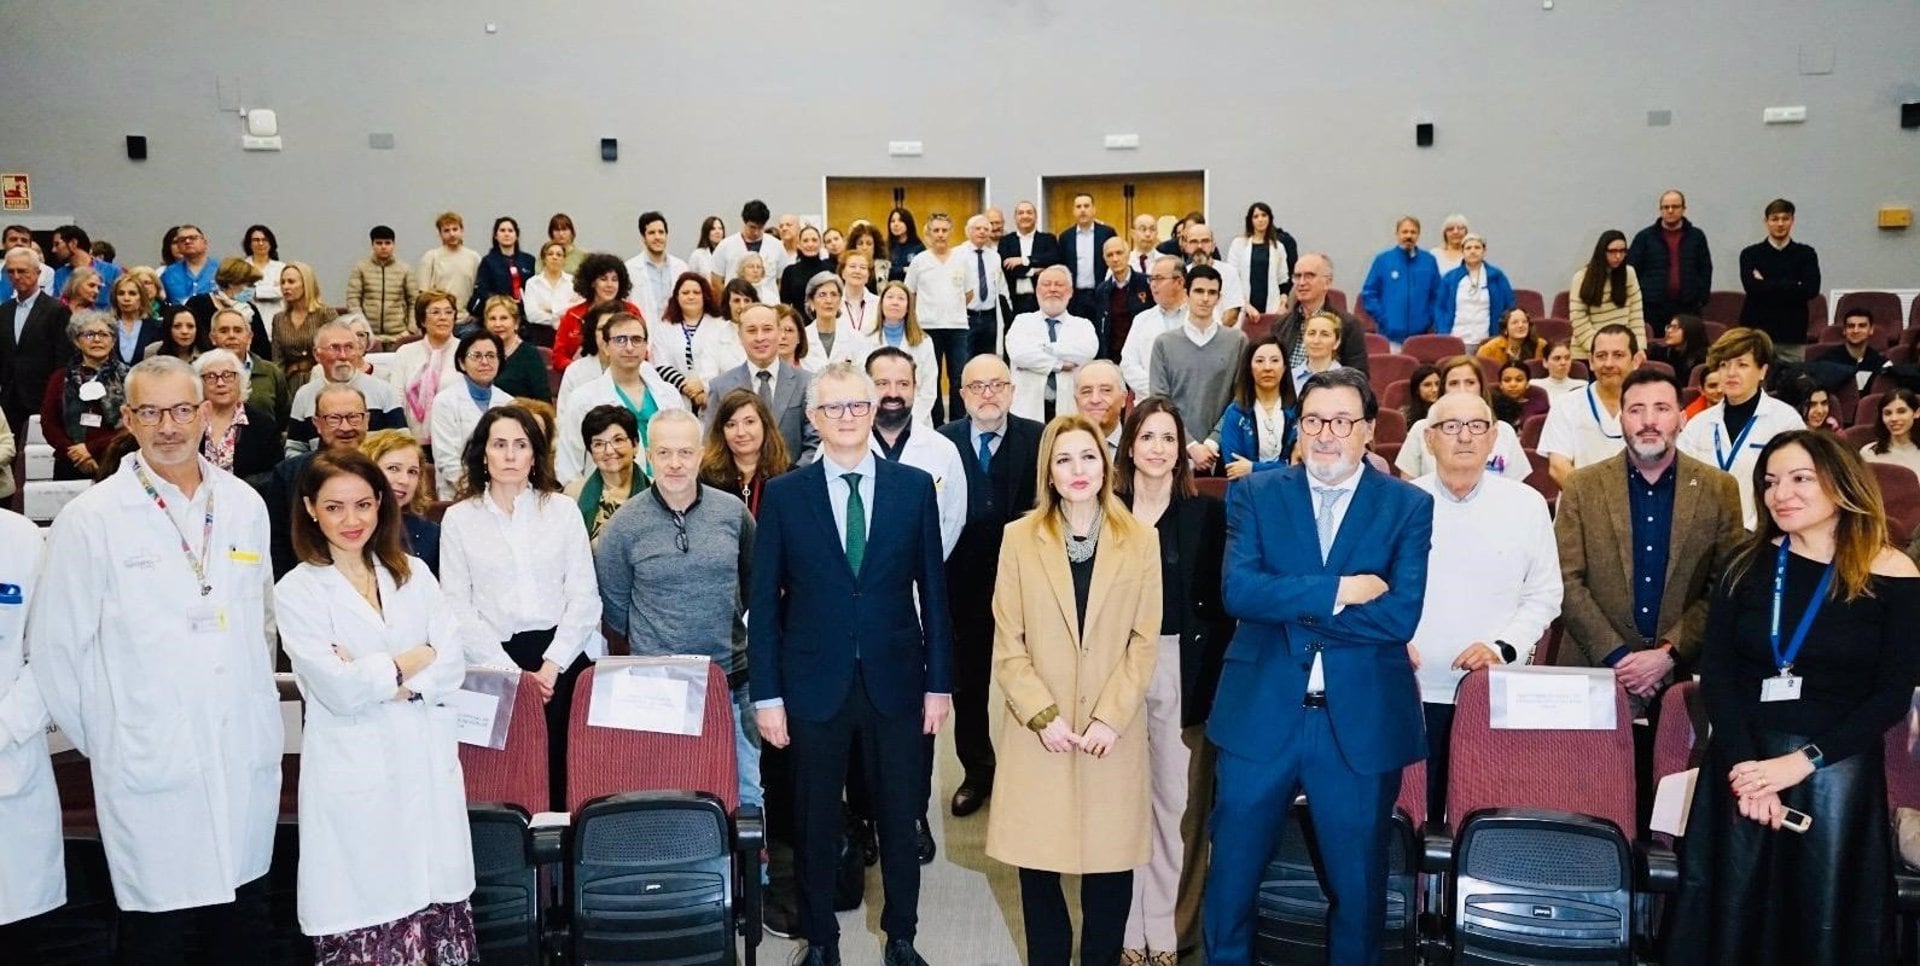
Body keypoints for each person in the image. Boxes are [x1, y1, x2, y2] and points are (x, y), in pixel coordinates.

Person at [31, 355, 282, 966]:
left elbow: (263, 625)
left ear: (204, 413)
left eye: (179, 410)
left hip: (238, 753)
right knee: (159, 934)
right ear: (129, 418)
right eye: (150, 411)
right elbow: (56, 652)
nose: (167, 426)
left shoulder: (245, 505)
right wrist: (118, 738)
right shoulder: (91, 519)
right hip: (148, 764)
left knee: (242, 922)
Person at [1204, 367, 1434, 966]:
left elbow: (1398, 617)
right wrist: (1340, 591)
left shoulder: (1408, 506)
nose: (1326, 435)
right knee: (1230, 884)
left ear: (1367, 432)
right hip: (1260, 717)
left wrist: (1291, 603)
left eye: (1340, 421)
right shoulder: (1256, 493)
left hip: (1356, 727)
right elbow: (1239, 592)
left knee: (1358, 894)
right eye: (1313, 421)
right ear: (1297, 429)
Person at [1666, 430, 1920, 964]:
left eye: (1800, 478)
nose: (1781, 493)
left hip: (1833, 773)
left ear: (1842, 484)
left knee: (1820, 923)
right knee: (1729, 918)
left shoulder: (1893, 571)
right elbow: (1718, 673)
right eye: (1771, 482)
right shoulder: (1742, 563)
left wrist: (1797, 765)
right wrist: (1747, 770)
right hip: (1742, 765)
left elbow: (1891, 696)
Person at [749, 361, 951, 966]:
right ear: (812, 418)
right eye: (833, 408)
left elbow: (935, 598)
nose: (847, 417)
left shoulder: (913, 488)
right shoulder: (785, 495)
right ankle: (822, 942)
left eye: (857, 405)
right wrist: (767, 697)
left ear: (874, 410)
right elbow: (763, 605)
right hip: (811, 686)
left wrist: (939, 685)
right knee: (814, 821)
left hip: (897, 683)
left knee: (898, 817)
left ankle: (903, 937)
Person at [274, 449, 477, 963]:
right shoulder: (297, 591)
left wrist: (378, 670)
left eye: (363, 505)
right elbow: (337, 690)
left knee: (433, 899)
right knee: (366, 900)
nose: (351, 520)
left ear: (381, 505)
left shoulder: (413, 573)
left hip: (424, 768)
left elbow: (452, 664)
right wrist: (415, 658)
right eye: (335, 507)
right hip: (354, 776)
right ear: (310, 508)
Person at [988, 413, 1161, 966]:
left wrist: (1111, 717)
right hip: (1043, 732)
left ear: (1105, 466)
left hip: (1112, 733)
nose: (1077, 469)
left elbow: (1143, 639)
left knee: (1109, 878)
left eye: (1088, 456)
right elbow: (1007, 641)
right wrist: (1043, 715)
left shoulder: (1140, 539)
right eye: (1064, 460)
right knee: (1038, 875)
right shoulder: (1019, 538)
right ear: (1050, 474)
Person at [595, 408, 762, 810]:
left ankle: (753, 875)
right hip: (659, 686)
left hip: (733, 679)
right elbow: (616, 608)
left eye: (685, 452)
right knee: (672, 794)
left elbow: (752, 584)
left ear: (702, 453)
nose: (675, 464)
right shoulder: (623, 527)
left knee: (747, 792)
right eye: (664, 453)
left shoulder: (733, 514)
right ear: (648, 456)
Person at [1115, 397, 1233, 962]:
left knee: (1172, 807)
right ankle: (1124, 929)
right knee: (1119, 806)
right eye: (1147, 437)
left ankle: (1161, 931)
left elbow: (1220, 606)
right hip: (1112, 673)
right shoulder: (1105, 509)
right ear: (1130, 445)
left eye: (1168, 438)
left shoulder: (1206, 514)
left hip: (1180, 671)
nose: (1158, 449)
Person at [1406, 390, 1562, 820]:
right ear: (1428, 439)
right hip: (1412, 691)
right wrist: (1391, 640)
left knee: (1480, 820)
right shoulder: (1401, 501)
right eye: (1450, 426)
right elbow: (1376, 587)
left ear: (1494, 438)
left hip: (1494, 693)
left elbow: (1546, 594)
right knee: (1412, 819)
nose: (1464, 437)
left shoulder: (1526, 504)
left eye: (1477, 426)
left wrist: (1501, 646)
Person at [441, 406, 603, 810]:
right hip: (495, 664)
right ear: (483, 454)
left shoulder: (562, 510)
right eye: (499, 445)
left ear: (535, 454)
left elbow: (585, 596)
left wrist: (551, 666)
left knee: (569, 779)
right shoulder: (459, 519)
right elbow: (456, 607)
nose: (510, 455)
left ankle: (564, 869)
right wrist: (514, 676)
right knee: (508, 784)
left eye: (521, 445)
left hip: (562, 661)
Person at [1555, 368, 1742, 709]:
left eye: (1662, 408)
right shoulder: (1582, 486)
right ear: (1621, 420)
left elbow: (1725, 587)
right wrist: (1619, 656)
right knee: (1587, 765)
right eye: (1636, 410)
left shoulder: (1720, 488)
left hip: (1683, 675)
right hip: (1593, 666)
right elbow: (1566, 581)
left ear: (1683, 418)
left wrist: (1667, 655)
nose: (1648, 420)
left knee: (1677, 765)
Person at [938, 354, 1043, 817]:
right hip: (962, 588)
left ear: (1011, 389)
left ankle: (1037, 773)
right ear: (961, 395)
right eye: (976, 386)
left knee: (1037, 681)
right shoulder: (941, 444)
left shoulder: (1039, 439)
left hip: (1030, 587)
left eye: (997, 384)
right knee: (970, 687)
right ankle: (977, 771)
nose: (987, 394)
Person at [0, 505, 59, 955]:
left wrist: (4, 727)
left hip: (8, 761)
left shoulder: (22, 541)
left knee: (16, 938)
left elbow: (50, 655)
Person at [1679, 328, 1802, 527]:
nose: (1731, 373)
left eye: (1742, 365)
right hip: (1705, 534)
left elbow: (1797, 483)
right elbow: (1683, 481)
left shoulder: (1785, 421)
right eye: (1724, 365)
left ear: (1762, 371)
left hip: (1765, 534)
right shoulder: (1698, 425)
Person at [555, 311, 687, 482]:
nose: (630, 347)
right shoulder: (583, 398)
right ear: (605, 347)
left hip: (666, 488)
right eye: (620, 340)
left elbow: (684, 445)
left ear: (646, 346)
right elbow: (568, 464)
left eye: (637, 340)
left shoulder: (668, 394)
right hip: (609, 495)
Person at [264, 384, 375, 577]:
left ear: (367, 420)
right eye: (334, 419)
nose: (345, 427)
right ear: (317, 423)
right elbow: (277, 543)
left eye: (353, 417)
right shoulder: (289, 474)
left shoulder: (384, 468)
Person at [867, 347, 967, 554]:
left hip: (920, 578)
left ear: (915, 388)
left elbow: (954, 520)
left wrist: (924, 567)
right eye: (882, 383)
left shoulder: (943, 450)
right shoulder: (837, 446)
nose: (893, 393)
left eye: (903, 384)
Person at [1152, 265, 1248, 468]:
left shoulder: (1237, 341)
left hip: (1224, 453)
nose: (1205, 298)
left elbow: (1241, 397)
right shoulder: (1164, 343)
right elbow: (1160, 400)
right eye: (1199, 291)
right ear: (1186, 294)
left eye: (1212, 292)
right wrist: (1191, 445)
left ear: (1219, 298)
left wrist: (1214, 441)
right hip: (1175, 453)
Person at [706, 303, 818, 465]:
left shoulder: (807, 383)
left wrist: (792, 479)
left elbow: (816, 443)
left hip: (793, 483)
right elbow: (712, 445)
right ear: (740, 337)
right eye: (751, 331)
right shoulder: (721, 387)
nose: (760, 338)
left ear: (779, 333)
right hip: (736, 486)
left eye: (767, 329)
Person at [1539, 324, 1645, 485]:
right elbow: (1558, 467)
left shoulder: (1653, 407)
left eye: (1618, 355)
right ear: (1591, 361)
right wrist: (1600, 503)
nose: (1608, 363)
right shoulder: (1566, 404)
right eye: (1601, 356)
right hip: (1582, 506)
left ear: (1636, 360)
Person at [1396, 355, 1530, 480]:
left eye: (1470, 382)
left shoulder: (1504, 431)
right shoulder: (1422, 429)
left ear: (1481, 387)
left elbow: (1516, 488)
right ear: (1444, 389)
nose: (1462, 389)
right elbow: (1409, 488)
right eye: (1454, 383)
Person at [286, 318, 405, 456]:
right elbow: (294, 450)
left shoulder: (384, 391)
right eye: (334, 348)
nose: (343, 356)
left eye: (349, 347)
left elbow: (401, 445)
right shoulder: (305, 395)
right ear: (317, 355)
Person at [429, 330, 516, 498]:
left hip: (504, 492)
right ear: (462, 363)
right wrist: (478, 491)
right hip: (459, 493)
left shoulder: (509, 403)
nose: (485, 362)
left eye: (491, 355)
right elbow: (447, 459)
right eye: (476, 356)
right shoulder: (445, 401)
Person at [39, 310, 126, 479]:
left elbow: (133, 425)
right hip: (71, 462)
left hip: (116, 461)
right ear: (76, 341)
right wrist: (76, 454)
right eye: (89, 334)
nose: (97, 339)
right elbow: (48, 423)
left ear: (113, 340)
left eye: (104, 334)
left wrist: (90, 449)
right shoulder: (60, 378)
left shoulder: (128, 377)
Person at [1008, 265, 1100, 423]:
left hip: (1069, 409)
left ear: (1070, 292)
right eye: (1046, 284)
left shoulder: (1083, 325)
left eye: (1059, 285)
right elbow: (1019, 354)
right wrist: (1059, 364)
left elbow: (1087, 352)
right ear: (1037, 291)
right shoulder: (1021, 321)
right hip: (1028, 409)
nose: (1052, 289)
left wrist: (1045, 349)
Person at [903, 213, 970, 424]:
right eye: (936, 230)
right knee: (932, 376)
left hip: (957, 327)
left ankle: (960, 421)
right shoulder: (920, 261)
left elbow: (969, 293)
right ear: (929, 233)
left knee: (959, 377)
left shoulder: (961, 259)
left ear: (951, 232)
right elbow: (910, 292)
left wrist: (952, 308)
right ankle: (937, 423)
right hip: (928, 327)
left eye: (944, 230)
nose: (940, 235)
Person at [1738, 199, 1822, 361]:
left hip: (1792, 334)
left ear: (1792, 221)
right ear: (1766, 222)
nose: (1780, 224)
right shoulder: (1750, 254)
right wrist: (1794, 285)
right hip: (1757, 332)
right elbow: (1752, 288)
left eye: (1785, 218)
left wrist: (1766, 283)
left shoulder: (1806, 254)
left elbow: (1811, 289)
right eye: (1775, 219)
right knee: (1755, 381)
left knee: (1793, 381)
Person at [3, 246, 74, 436]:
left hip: (42, 396)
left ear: (37, 272)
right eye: (11, 271)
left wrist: (56, 396)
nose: (16, 276)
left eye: (22, 271)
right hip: (9, 398)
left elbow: (63, 359)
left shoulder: (56, 310)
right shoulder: (4, 311)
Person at [1627, 189, 1713, 333]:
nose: (1670, 210)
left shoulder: (1696, 236)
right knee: (1656, 349)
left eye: (1675, 206)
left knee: (1688, 348)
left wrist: (1701, 298)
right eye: (1666, 207)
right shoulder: (1644, 237)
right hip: (1653, 308)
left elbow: (1705, 268)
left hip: (1688, 306)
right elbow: (1632, 270)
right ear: (1660, 210)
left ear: (1684, 209)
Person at [1207, 336, 1293, 479]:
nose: (1267, 367)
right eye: (1259, 361)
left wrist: (1252, 468)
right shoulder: (1235, 413)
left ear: (1284, 367)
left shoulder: (1297, 412)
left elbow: (1298, 466)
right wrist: (1282, 467)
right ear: (1249, 368)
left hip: (1287, 493)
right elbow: (1234, 469)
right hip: (1244, 494)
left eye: (1275, 360)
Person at [1271, 252, 1370, 374]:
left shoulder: (1348, 325)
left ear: (1327, 282)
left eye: (1309, 276)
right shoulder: (1280, 325)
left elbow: (1358, 376)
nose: (1301, 282)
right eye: (1297, 276)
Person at [700, 388, 791, 517]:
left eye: (749, 422)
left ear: (765, 425)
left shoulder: (789, 478)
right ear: (721, 432)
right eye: (731, 425)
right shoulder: (705, 479)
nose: (741, 432)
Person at [360, 429, 441, 574]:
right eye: (393, 468)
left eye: (412, 472)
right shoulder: (348, 528)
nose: (404, 480)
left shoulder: (431, 534)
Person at [194, 349, 280, 479]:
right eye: (211, 376)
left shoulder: (263, 425)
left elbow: (273, 476)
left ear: (240, 380)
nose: (220, 383)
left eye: (228, 375)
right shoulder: (189, 422)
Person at [551, 252, 642, 374]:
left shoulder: (631, 312)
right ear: (592, 282)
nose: (610, 285)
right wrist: (580, 371)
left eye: (614, 280)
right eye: (603, 279)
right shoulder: (573, 315)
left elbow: (642, 350)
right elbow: (558, 357)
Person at [563, 404, 641, 545]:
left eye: (618, 440)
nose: (609, 450)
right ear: (590, 452)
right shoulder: (574, 495)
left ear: (635, 445)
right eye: (598, 444)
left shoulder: (656, 490)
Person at [1359, 216, 1441, 348]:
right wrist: (1384, 319)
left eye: (1413, 232)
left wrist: (1428, 318)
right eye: (1405, 232)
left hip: (1420, 336)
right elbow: (1369, 293)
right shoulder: (1383, 260)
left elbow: (1437, 294)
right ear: (1397, 234)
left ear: (1418, 235)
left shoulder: (1429, 261)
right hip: (1390, 336)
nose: (1409, 236)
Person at [393, 290, 463, 443]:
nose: (443, 317)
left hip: (455, 437)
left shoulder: (467, 350)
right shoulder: (405, 352)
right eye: (435, 312)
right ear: (423, 320)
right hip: (411, 438)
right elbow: (397, 399)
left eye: (448, 312)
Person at [208, 307, 290, 428]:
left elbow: (285, 419)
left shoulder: (271, 372)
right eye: (224, 331)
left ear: (249, 336)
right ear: (212, 338)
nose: (231, 335)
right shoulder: (201, 374)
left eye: (238, 330)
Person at [1121, 255, 1191, 398]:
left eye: (1159, 279)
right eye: (1151, 279)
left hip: (1190, 401)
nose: (1153, 285)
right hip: (1150, 402)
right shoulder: (1142, 320)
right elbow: (1128, 365)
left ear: (1179, 282)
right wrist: (1158, 390)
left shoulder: (1200, 315)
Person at [1569, 230, 1645, 361]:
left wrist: (1638, 348)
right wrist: (1601, 348)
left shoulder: (1629, 273)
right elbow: (1578, 319)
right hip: (1587, 352)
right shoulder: (1581, 277)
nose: (1618, 256)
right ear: (1602, 252)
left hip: (1621, 350)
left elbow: (1636, 316)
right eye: (1613, 251)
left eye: (1622, 251)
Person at [870, 280, 939, 424]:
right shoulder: (866, 340)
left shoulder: (924, 342)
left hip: (916, 420)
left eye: (901, 298)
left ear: (908, 307)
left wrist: (909, 419)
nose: (895, 302)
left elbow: (928, 389)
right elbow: (863, 385)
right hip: (876, 420)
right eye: (890, 297)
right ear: (881, 304)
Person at [345, 225, 419, 348]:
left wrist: (410, 330)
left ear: (393, 244)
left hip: (399, 335)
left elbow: (414, 301)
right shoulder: (361, 268)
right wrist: (363, 328)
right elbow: (353, 300)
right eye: (379, 243)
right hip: (368, 336)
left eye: (387, 243)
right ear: (372, 244)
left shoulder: (405, 269)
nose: (383, 247)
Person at [1437, 234, 1515, 349]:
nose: (1473, 251)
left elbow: (1509, 306)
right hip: (1457, 339)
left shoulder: (1497, 276)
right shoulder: (1450, 278)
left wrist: (1501, 333)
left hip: (1488, 341)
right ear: (1462, 252)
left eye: (1477, 247)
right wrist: (1444, 332)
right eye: (1468, 248)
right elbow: (1439, 307)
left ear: (1484, 251)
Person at [271, 261, 336, 387]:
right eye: (282, 282)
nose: (285, 287)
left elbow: (336, 352)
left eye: (291, 282)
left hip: (323, 381)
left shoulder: (325, 314)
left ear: (306, 284)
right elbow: (277, 361)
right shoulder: (279, 319)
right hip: (291, 383)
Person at [1228, 201, 1299, 316]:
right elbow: (1232, 278)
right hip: (1244, 307)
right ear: (1250, 220)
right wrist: (1246, 306)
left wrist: (1282, 304)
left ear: (1270, 218)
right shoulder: (1238, 244)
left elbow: (1283, 280)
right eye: (1256, 216)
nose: (1260, 219)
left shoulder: (1279, 247)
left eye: (1264, 215)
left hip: (1272, 309)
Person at [485, 288, 553, 401]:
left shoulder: (529, 355)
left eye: (504, 318)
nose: (497, 324)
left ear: (516, 323)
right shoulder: (481, 354)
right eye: (492, 319)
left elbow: (543, 402)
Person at [1058, 193, 1118, 321]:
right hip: (1075, 297)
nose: (1083, 210)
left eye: (1086, 206)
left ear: (1094, 209)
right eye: (1078, 206)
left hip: (1101, 294)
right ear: (1074, 211)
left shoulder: (1107, 233)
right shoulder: (1065, 237)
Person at [800, 272, 874, 373]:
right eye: (822, 295)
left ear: (840, 302)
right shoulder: (801, 339)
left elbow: (863, 376)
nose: (829, 300)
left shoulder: (856, 339)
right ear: (811, 302)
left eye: (834, 294)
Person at [1094, 235, 1153, 362]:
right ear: (1105, 260)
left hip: (1142, 354)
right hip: (1113, 357)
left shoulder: (1147, 283)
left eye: (1119, 253)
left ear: (1128, 254)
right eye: (1110, 255)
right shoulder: (1102, 290)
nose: (1115, 259)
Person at [625, 211, 690, 325]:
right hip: (644, 333)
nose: (657, 237)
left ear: (666, 235)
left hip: (676, 331)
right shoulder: (630, 269)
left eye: (661, 232)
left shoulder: (681, 267)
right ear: (643, 237)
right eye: (651, 233)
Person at [998, 200, 1060, 317]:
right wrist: (1034, 270)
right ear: (1015, 218)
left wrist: (1024, 260)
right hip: (1014, 302)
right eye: (1021, 213)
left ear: (1036, 216)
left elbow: (1053, 258)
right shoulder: (1006, 241)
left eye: (1029, 212)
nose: (1025, 216)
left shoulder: (1048, 239)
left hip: (1042, 301)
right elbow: (1007, 268)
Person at [1179, 222, 1245, 329]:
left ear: (1213, 245)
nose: (1199, 246)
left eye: (1205, 241)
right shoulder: (1181, 275)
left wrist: (1212, 335)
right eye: (1194, 242)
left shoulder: (1229, 272)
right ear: (1186, 246)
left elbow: (1232, 313)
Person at [469, 215, 535, 320]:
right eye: (502, 230)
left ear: (516, 235)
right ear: (496, 235)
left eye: (510, 230)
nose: (506, 234)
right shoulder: (488, 261)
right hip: (499, 313)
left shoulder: (529, 260)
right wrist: (504, 302)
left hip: (526, 315)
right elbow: (483, 291)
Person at [1808, 306, 1887, 392]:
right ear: (1844, 331)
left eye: (1862, 326)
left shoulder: (1882, 363)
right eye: (1851, 326)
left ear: (1871, 330)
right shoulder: (1828, 360)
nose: (1856, 330)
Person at [417, 212, 481, 318]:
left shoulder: (474, 258)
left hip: (466, 320)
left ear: (462, 230)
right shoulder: (431, 257)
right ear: (440, 234)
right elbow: (423, 294)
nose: (452, 234)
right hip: (439, 319)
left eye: (455, 229)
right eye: (446, 230)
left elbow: (478, 290)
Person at [957, 214, 1004, 359]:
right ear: (968, 231)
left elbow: (1000, 286)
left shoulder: (995, 256)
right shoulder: (957, 254)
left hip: (989, 317)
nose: (982, 232)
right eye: (978, 228)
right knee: (964, 361)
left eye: (986, 229)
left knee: (987, 361)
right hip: (967, 317)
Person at [710, 200, 781, 288]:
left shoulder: (776, 245)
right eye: (752, 227)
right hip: (736, 298)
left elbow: (781, 279)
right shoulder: (726, 245)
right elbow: (716, 280)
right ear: (744, 222)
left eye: (760, 227)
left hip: (768, 300)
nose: (756, 232)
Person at [50, 225, 122, 308]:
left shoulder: (112, 271)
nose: (53, 250)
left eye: (57, 244)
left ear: (73, 243)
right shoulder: (59, 274)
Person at [523, 239, 579, 344]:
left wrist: (550, 308)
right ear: (544, 259)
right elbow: (532, 315)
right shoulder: (532, 283)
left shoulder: (573, 282)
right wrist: (558, 317)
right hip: (540, 335)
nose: (555, 257)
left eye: (559, 255)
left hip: (568, 334)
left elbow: (575, 311)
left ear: (564, 260)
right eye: (550, 254)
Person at [1072, 359, 1129, 457]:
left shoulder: (1136, 446)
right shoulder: (1062, 447)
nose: (1095, 400)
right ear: (1077, 401)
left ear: (1123, 399)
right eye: (1086, 392)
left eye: (1105, 390)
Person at [107, 273, 165, 365]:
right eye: (121, 293)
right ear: (115, 298)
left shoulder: (157, 327)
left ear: (142, 297)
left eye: (132, 294)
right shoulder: (107, 327)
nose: (126, 298)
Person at [1861, 388, 1920, 477]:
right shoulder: (1869, 453)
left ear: (1916, 413)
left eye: (1901, 411)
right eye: (1888, 413)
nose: (1894, 419)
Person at [779, 225, 836, 311]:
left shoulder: (830, 268)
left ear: (821, 243)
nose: (810, 244)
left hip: (826, 320)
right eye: (805, 241)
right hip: (800, 322)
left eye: (814, 240)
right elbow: (785, 305)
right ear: (799, 244)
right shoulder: (790, 271)